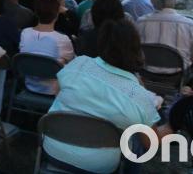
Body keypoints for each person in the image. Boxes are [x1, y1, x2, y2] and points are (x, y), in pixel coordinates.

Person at [43, 17, 171, 173]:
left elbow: (57, 93)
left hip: (53, 149)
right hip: (98, 165)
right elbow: (151, 144)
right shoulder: (138, 95)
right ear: (137, 48)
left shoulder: (79, 63)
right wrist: (173, 123)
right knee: (137, 140)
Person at [135, 0, 193, 72]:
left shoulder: (140, 22)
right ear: (174, 0)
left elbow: (135, 50)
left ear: (152, 2)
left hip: (146, 74)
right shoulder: (189, 24)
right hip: (179, 77)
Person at [19, 0, 76, 94]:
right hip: (54, 91)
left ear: (36, 12)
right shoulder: (62, 39)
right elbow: (71, 61)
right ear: (57, 14)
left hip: (29, 85)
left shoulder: (25, 33)